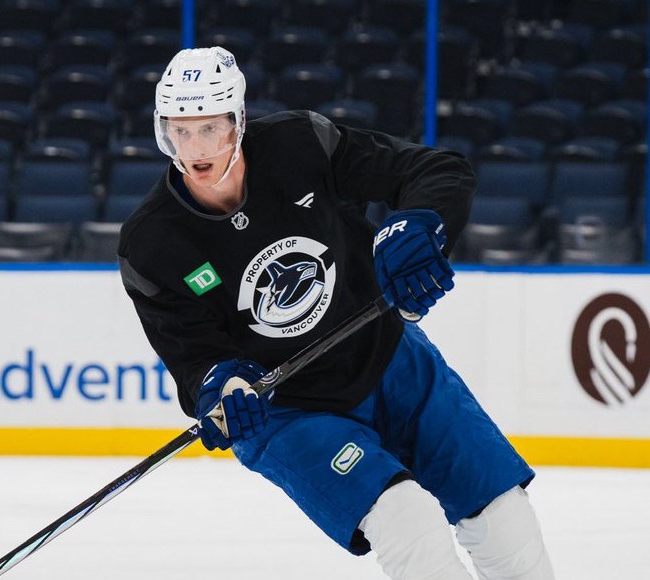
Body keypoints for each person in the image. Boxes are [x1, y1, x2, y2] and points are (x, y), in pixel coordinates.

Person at [117, 46, 554, 580]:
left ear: (237, 121)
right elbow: (192, 357)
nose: (195, 149)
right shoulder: (151, 243)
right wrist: (220, 386)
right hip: (288, 409)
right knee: (406, 519)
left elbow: (435, 171)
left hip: (389, 359)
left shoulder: (300, 144)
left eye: (209, 128)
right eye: (179, 131)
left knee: (503, 516)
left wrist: (418, 224)